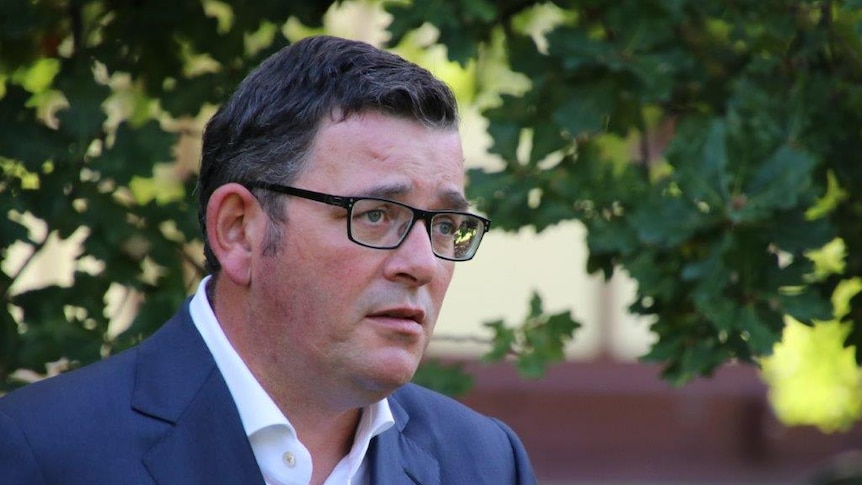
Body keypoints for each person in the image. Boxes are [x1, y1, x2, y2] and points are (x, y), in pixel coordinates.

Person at [0, 35, 537, 484]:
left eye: (445, 225)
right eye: (375, 215)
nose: (422, 264)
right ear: (239, 231)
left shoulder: (484, 463)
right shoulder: (40, 451)